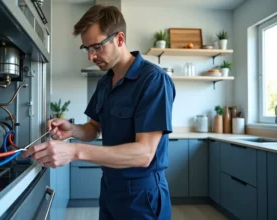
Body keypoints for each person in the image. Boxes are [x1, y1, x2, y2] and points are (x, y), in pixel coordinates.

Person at [23, 4, 176, 220]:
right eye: (87, 49)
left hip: (143, 195)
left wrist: (75, 152)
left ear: (119, 39)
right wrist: (73, 130)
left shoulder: (153, 80)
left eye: (97, 47)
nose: (91, 56)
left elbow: (144, 154)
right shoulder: (105, 83)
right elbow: (94, 128)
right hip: (110, 188)